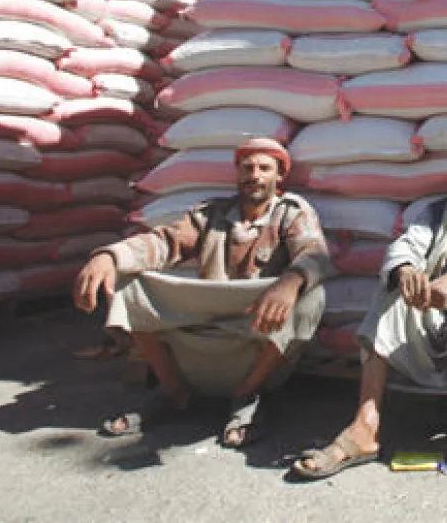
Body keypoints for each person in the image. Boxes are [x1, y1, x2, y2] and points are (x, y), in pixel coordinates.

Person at [289, 118, 447, 501]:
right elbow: (407, 244)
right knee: (391, 287)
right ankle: (365, 427)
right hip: (430, 325)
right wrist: (406, 271)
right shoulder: (435, 210)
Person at [73, 137, 333, 448]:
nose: (254, 175)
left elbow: (314, 253)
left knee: (312, 297)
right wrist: (110, 256)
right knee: (129, 283)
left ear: (280, 176)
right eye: (247, 168)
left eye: (265, 168)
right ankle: (172, 389)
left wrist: (289, 284)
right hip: (204, 324)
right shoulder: (211, 213)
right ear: (237, 173)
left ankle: (247, 393)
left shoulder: (292, 212)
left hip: (256, 327)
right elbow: (165, 242)